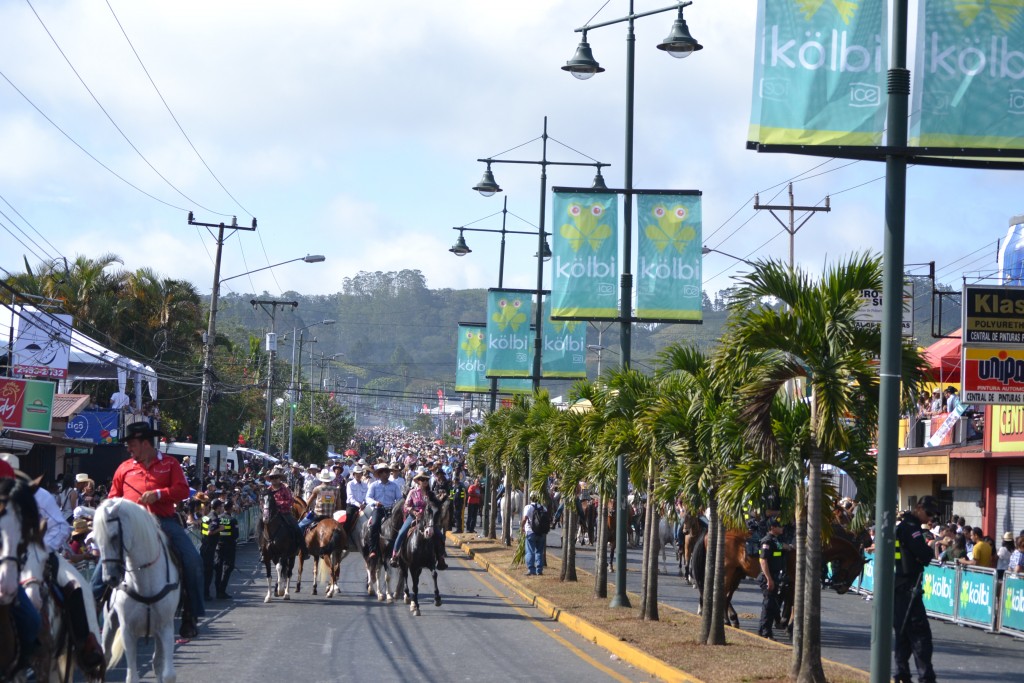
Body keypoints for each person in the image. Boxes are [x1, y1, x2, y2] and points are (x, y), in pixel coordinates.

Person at [105, 422, 205, 639]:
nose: (129, 449)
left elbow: (182, 490)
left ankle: (191, 614)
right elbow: (113, 498)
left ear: (145, 443)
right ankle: (92, 614)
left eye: (132, 444)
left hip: (163, 521)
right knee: (103, 564)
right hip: (130, 524)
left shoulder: (170, 464)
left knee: (192, 559)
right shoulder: (124, 468)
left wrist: (158, 494)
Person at [893, 495, 938, 683]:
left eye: (933, 516)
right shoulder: (911, 530)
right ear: (919, 508)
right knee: (921, 636)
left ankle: (902, 675)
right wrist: (926, 551)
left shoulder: (903, 528)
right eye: (928, 513)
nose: (930, 518)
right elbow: (925, 555)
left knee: (903, 635)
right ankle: (925, 678)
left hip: (900, 587)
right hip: (908, 588)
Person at [390, 467, 446, 569]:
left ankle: (440, 558)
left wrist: (441, 499)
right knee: (401, 533)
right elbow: (406, 506)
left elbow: (436, 506)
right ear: (418, 481)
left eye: (426, 479)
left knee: (440, 536)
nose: (425, 481)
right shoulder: (412, 492)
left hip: (428, 519)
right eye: (422, 479)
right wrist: (414, 512)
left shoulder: (430, 494)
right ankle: (395, 555)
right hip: (414, 517)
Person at [757, 517, 788, 641]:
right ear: (772, 528)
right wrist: (769, 579)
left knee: (772, 604)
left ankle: (763, 629)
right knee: (768, 605)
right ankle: (766, 633)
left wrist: (789, 546)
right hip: (768, 577)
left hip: (776, 576)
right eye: (779, 526)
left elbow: (782, 548)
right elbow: (763, 561)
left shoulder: (775, 541)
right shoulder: (767, 542)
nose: (782, 528)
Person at [364, 462, 402, 559]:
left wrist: (396, 504)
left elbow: (399, 498)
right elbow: (368, 498)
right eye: (383, 472)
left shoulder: (394, 486)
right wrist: (375, 502)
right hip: (379, 509)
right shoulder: (374, 485)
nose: (386, 474)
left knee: (402, 525)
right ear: (379, 474)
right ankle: (372, 550)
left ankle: (401, 549)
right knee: (374, 525)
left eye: (387, 472)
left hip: (392, 510)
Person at [265, 466, 302, 546]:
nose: (274, 479)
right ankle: (262, 550)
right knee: (260, 527)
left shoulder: (285, 489)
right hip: (270, 515)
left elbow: (290, 501)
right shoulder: (268, 490)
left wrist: (277, 504)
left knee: (297, 528)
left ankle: (302, 547)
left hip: (284, 513)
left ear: (279, 479)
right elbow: (263, 502)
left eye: (276, 477)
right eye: (272, 477)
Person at [300, 467, 342, 537]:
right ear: (330, 479)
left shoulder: (317, 488)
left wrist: (306, 509)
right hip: (330, 516)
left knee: (300, 525)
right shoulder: (336, 490)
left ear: (321, 478)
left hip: (317, 515)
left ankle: (299, 542)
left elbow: (308, 503)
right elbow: (339, 506)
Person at [200, 499, 225, 600]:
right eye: (221, 506)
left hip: (204, 545)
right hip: (209, 547)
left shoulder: (206, 516)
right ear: (218, 507)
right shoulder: (214, 518)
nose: (222, 508)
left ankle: (204, 592)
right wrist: (220, 529)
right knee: (208, 572)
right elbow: (210, 532)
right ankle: (205, 594)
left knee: (205, 571)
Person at [214, 500, 238, 599]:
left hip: (218, 545)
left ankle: (217, 590)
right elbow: (236, 535)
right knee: (228, 567)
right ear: (231, 508)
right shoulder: (233, 520)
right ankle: (222, 590)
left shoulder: (218, 518)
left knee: (218, 567)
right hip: (230, 546)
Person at [521, 492, 546, 577]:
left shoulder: (528, 507)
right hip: (541, 533)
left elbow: (525, 519)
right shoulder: (543, 508)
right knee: (539, 551)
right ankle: (539, 570)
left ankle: (531, 569)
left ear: (531, 498)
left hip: (531, 532)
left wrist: (522, 527)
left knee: (530, 551)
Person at [345, 464, 369, 543]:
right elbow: (350, 497)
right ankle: (345, 538)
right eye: (356, 474)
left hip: (363, 505)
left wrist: (364, 503)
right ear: (354, 474)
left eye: (360, 474)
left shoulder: (365, 485)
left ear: (362, 474)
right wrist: (359, 505)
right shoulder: (350, 484)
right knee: (348, 518)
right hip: (352, 506)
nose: (358, 475)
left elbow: (366, 496)